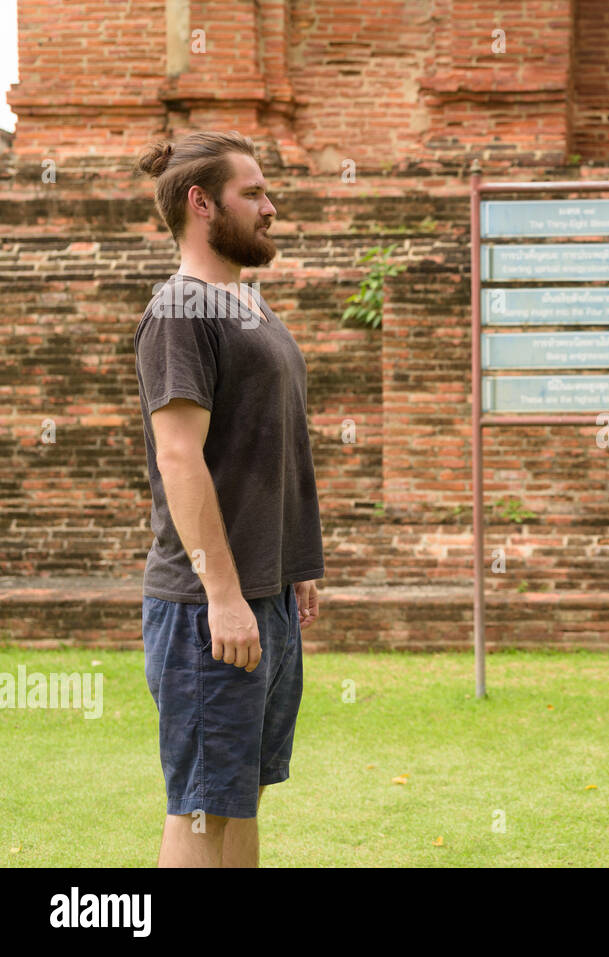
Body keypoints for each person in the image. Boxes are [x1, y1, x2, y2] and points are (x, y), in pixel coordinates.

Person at [132, 130, 324, 867]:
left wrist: (295, 563)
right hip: (207, 607)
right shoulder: (181, 311)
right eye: (254, 194)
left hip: (263, 594)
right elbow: (179, 456)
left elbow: (273, 444)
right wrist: (223, 593)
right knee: (204, 808)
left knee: (239, 796)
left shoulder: (248, 304)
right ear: (201, 203)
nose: (271, 207)